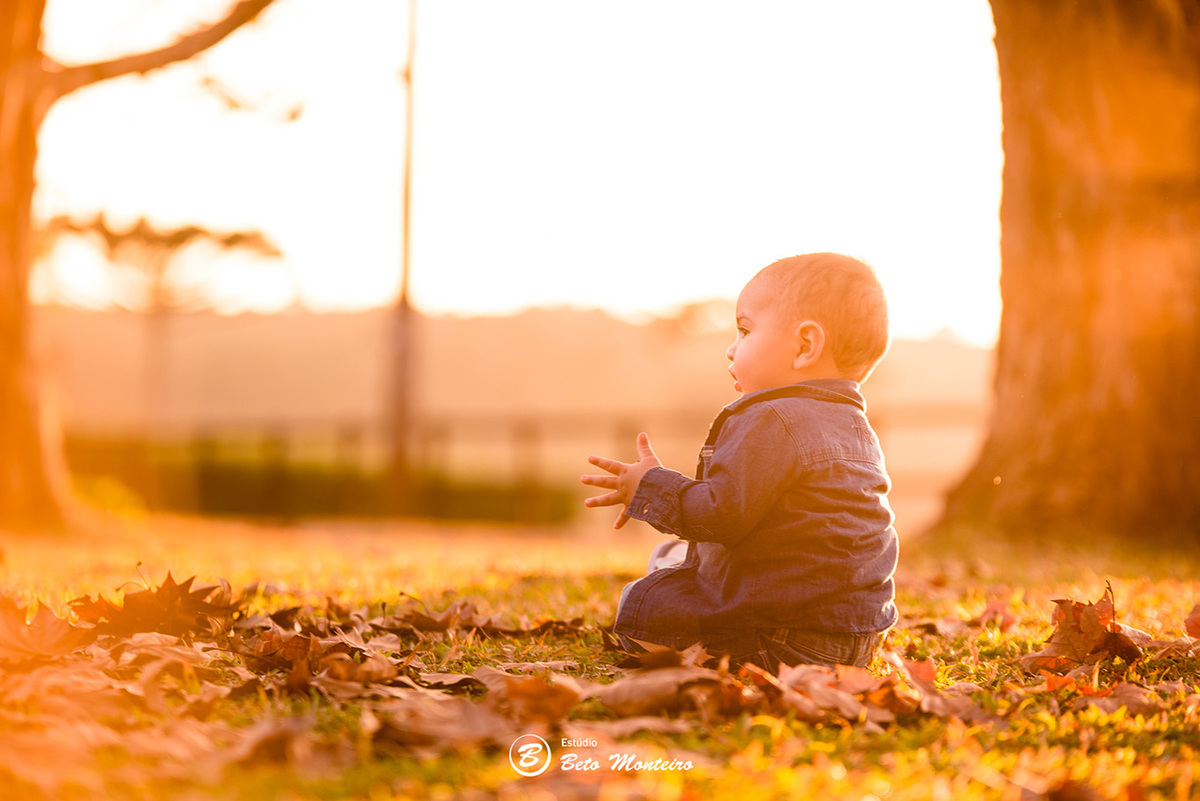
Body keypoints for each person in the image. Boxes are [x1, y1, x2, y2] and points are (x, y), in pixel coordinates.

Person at [581, 252, 898, 672]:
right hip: (853, 639)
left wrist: (650, 486)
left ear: (805, 345)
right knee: (673, 556)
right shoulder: (854, 423)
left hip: (781, 641)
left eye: (745, 330)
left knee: (648, 606)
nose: (731, 349)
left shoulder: (772, 417)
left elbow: (720, 514)